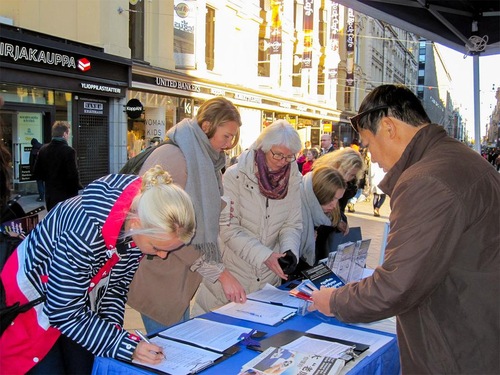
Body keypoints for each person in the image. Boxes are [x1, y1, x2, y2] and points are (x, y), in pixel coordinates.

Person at [309, 84, 500, 374]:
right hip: (476, 331)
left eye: (369, 144)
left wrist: (334, 301)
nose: (374, 158)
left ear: (388, 127)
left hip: (456, 348)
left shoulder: (425, 179)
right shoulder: (459, 159)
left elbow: (398, 285)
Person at [0, 165, 196, 374]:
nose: (162, 255)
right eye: (157, 248)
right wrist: (122, 345)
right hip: (30, 305)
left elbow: (115, 290)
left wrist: (115, 339)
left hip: (75, 302)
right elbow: (62, 311)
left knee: (84, 364)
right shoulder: (84, 231)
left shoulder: (136, 223)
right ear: (137, 224)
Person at [127, 97, 246, 333]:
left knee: (175, 343)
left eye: (233, 137)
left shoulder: (205, 159)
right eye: (226, 136)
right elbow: (162, 226)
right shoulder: (175, 158)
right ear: (206, 126)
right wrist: (219, 273)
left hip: (176, 274)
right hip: (160, 275)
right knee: (171, 350)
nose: (230, 144)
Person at [191, 119, 303, 315]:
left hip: (268, 281)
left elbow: (291, 224)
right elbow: (228, 229)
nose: (283, 162)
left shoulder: (292, 180)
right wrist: (265, 256)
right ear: (263, 148)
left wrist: (289, 251)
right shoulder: (235, 176)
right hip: (233, 276)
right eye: (277, 154)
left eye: (289, 157)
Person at [299, 166, 346, 267]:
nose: (334, 205)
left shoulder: (316, 213)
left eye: (337, 199)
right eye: (332, 199)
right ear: (321, 193)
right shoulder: (298, 209)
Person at [313, 148, 364, 234]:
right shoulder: (320, 178)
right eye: (345, 171)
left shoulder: (349, 186)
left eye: (352, 175)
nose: (346, 178)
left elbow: (341, 208)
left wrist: (341, 220)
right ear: (337, 164)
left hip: (330, 232)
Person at [33, 121, 82, 211]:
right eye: (68, 134)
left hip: (50, 196)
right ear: (64, 134)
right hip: (66, 197)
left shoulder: (43, 149)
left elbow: (37, 173)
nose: (69, 136)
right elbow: (73, 176)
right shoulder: (69, 151)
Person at [29, 138, 44, 202]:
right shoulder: (43, 148)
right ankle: (45, 195)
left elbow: (31, 161)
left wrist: (31, 170)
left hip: (37, 169)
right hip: (45, 169)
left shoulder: (33, 150)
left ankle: (41, 197)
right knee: (45, 183)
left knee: (39, 183)